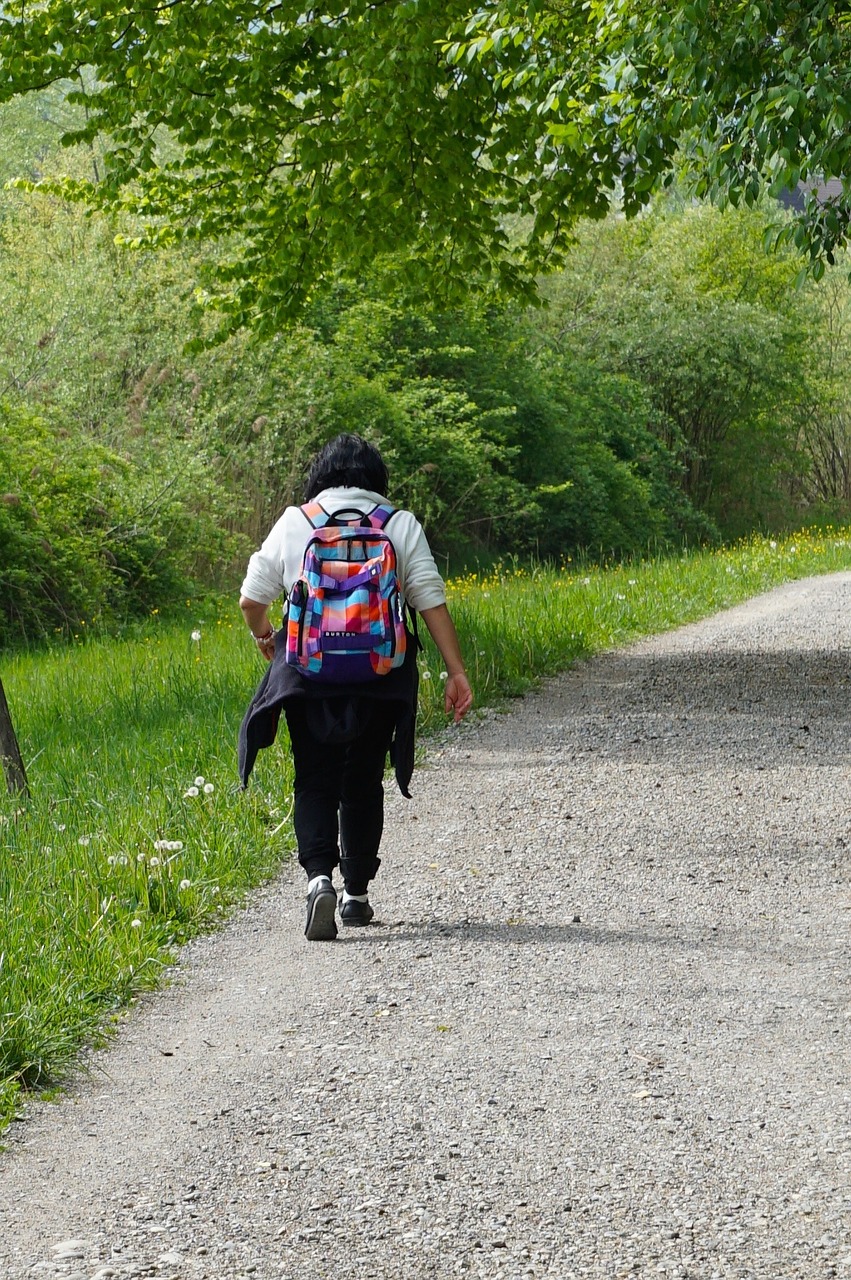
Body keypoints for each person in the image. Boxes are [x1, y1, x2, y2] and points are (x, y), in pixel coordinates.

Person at [238, 433, 473, 941]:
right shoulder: (398, 524)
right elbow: (430, 600)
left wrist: (265, 638)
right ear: (376, 479)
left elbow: (250, 597)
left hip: (308, 673)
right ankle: (356, 896)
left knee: (314, 776)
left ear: (319, 476)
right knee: (363, 779)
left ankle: (318, 879)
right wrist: (456, 672)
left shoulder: (295, 521)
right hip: (379, 675)